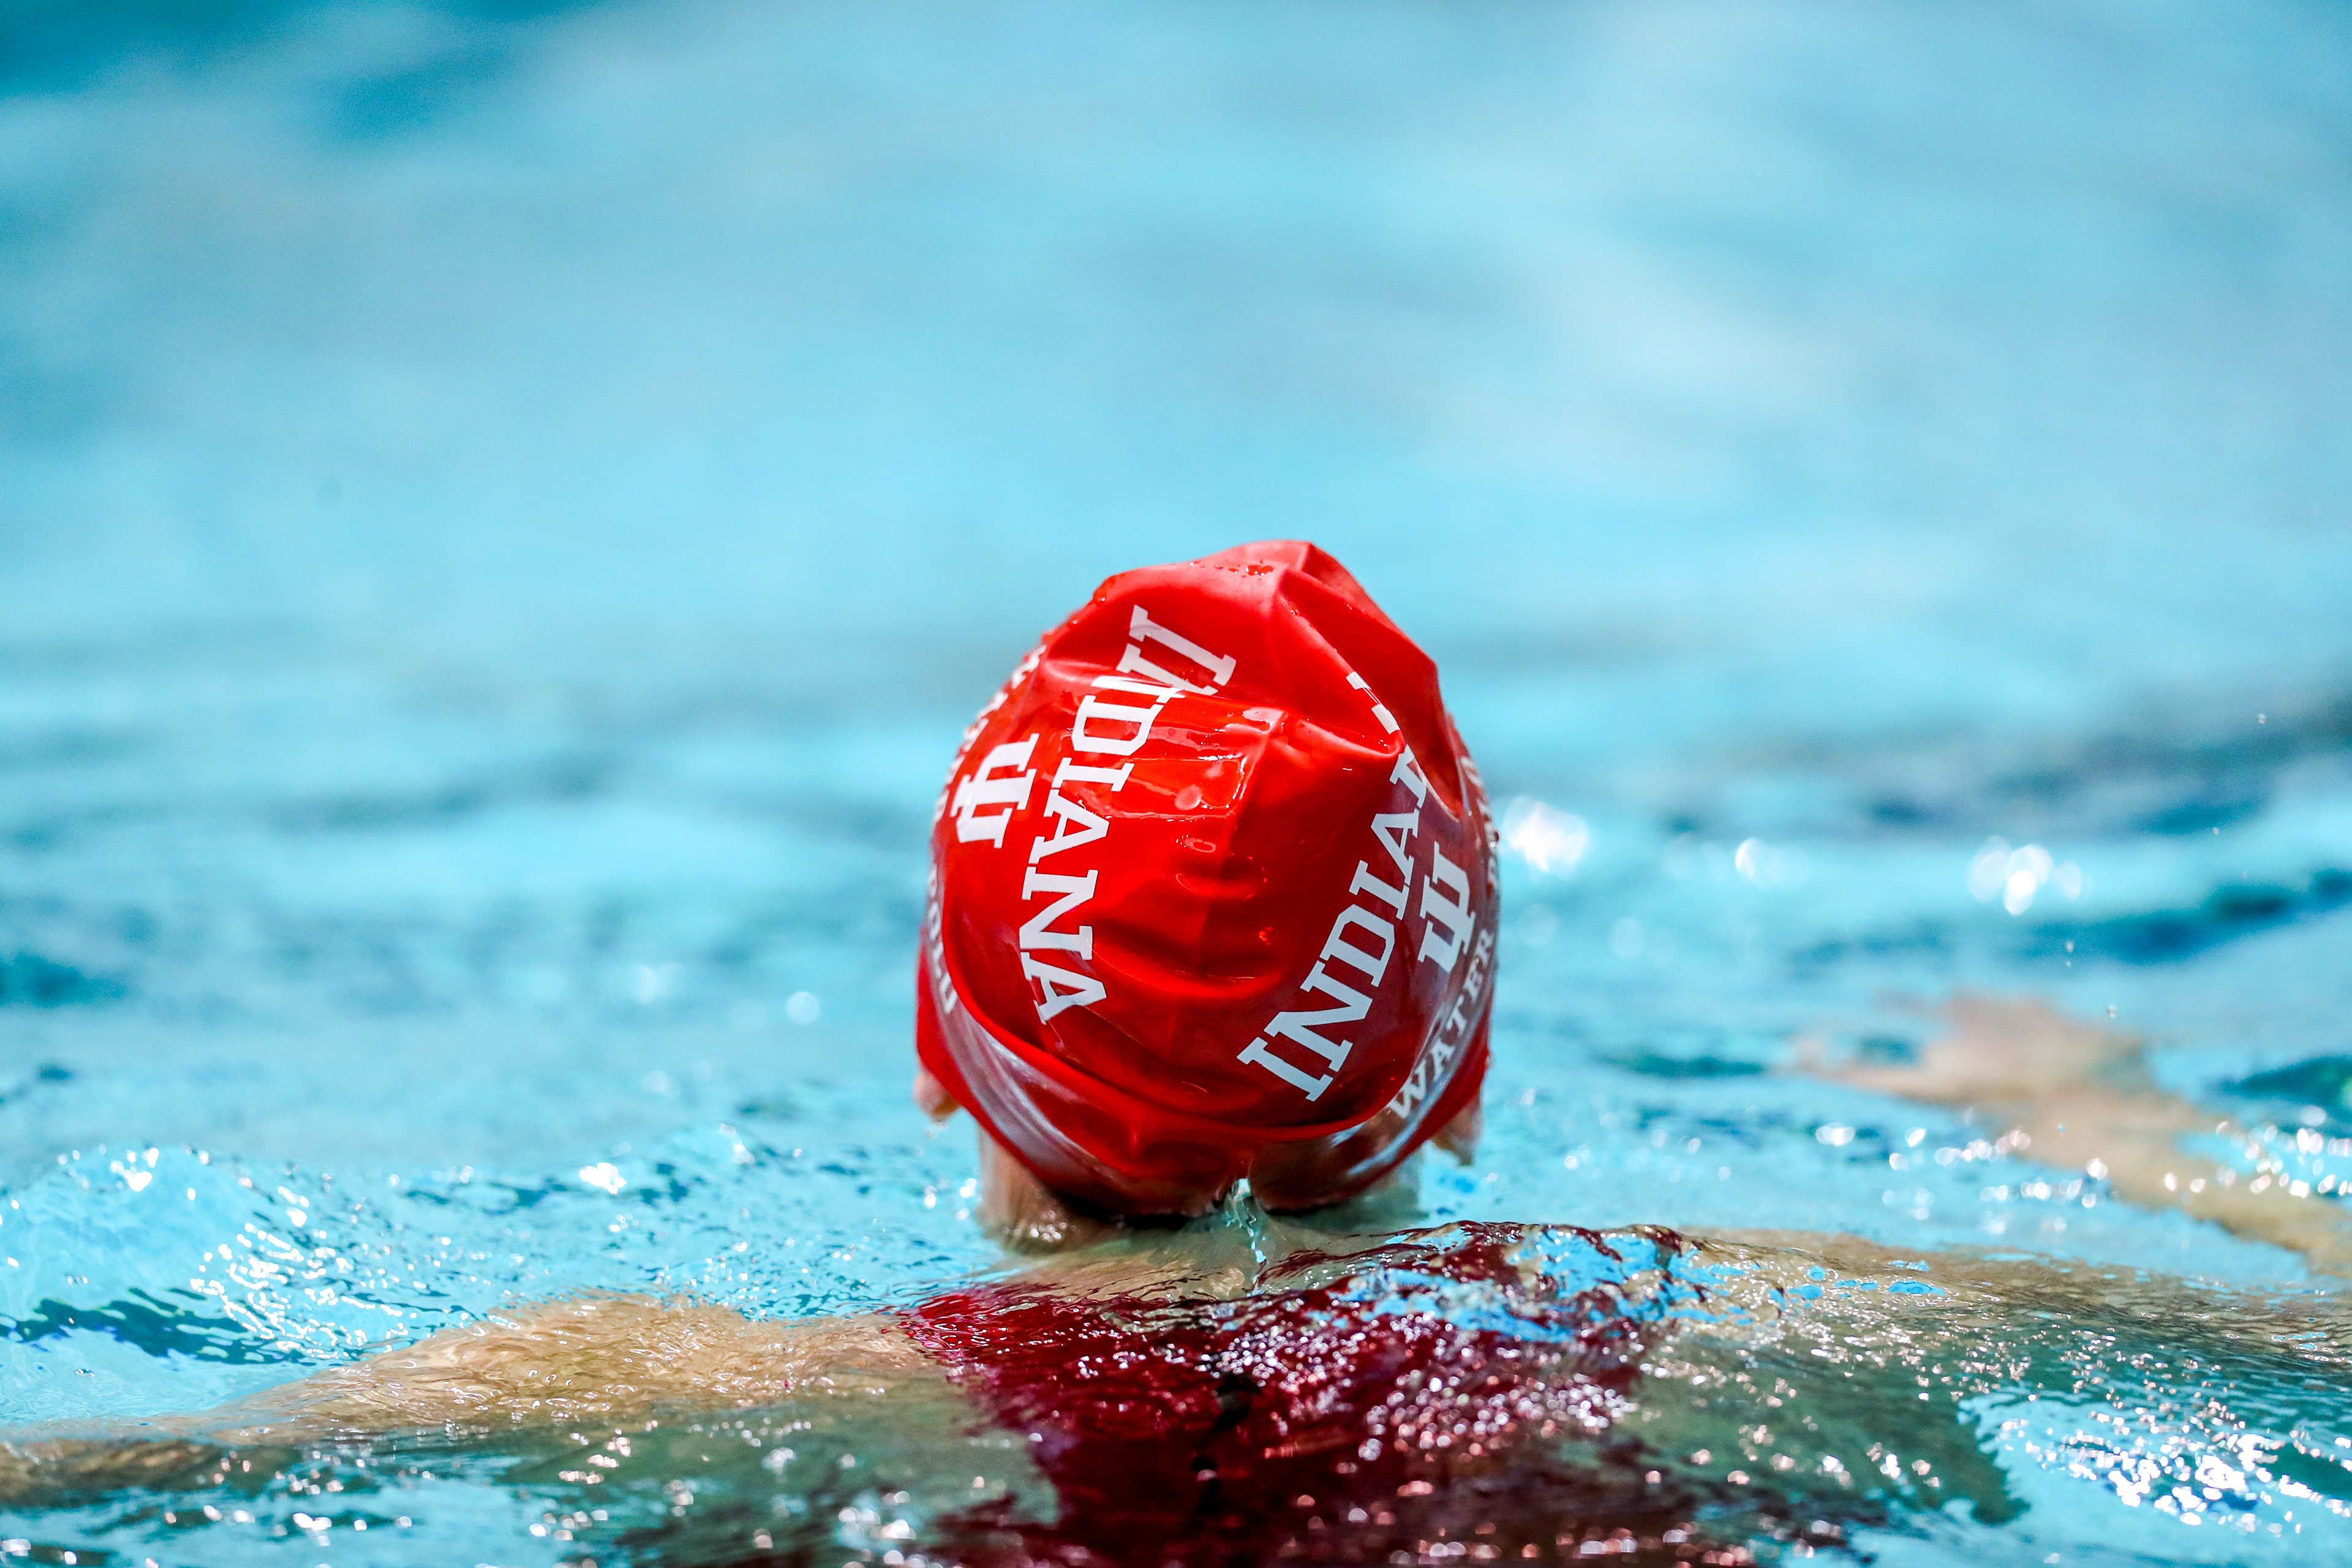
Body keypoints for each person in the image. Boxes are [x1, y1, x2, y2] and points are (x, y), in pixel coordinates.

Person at [9, 545, 2352, 1562]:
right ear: (1452, 1066)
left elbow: (84, 1477)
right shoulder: (1751, 1327)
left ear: (945, 1049)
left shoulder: (695, 1381)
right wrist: (2106, 1129)